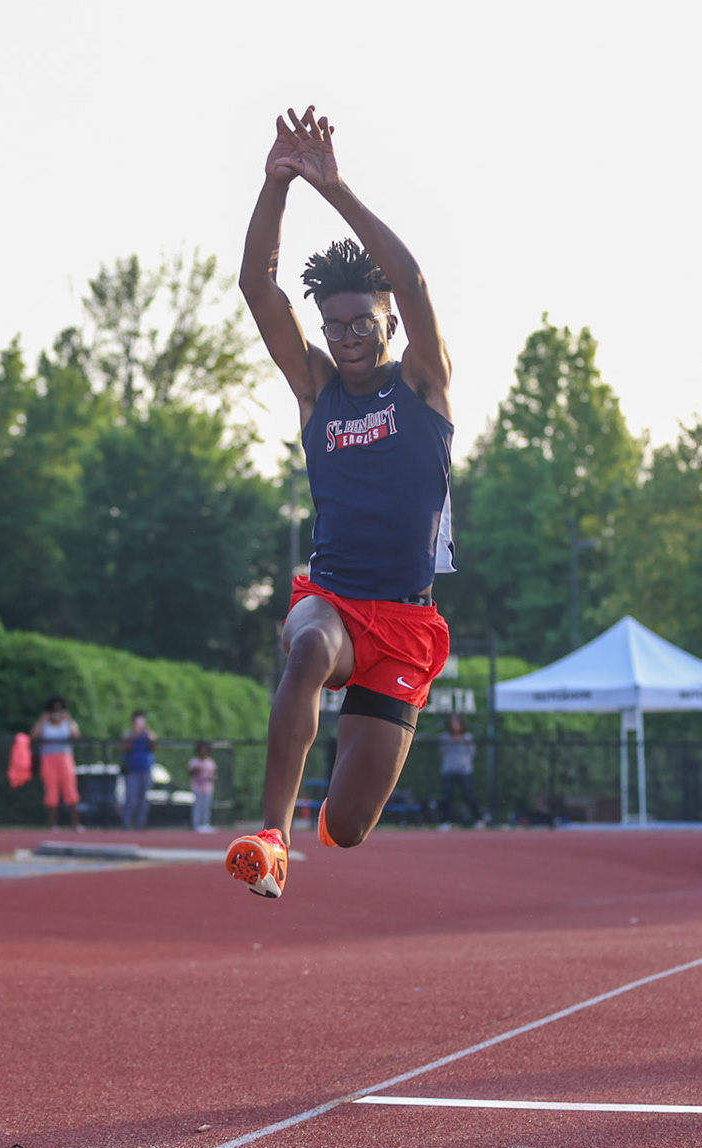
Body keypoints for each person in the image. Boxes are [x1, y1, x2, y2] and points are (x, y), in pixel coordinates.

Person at [223, 105, 455, 899]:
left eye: (365, 322)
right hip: (333, 597)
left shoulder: (424, 386)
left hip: (406, 627)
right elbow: (258, 285)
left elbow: (415, 280)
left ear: (389, 324)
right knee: (307, 646)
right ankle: (272, 837)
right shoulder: (317, 389)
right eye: (337, 324)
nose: (350, 335)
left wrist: (338, 187)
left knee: (351, 828)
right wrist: (276, 185)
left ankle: (321, 820)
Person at [31, 697, 82, 833]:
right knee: (51, 791)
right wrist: (43, 719)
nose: (57, 713)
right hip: (48, 759)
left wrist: (69, 719)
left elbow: (76, 734)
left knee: (70, 790)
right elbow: (35, 734)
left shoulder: (67, 723)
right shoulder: (45, 724)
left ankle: (75, 823)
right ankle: (53, 825)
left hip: (65, 758)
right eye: (54, 710)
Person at [438, 714, 476, 830]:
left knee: (468, 795)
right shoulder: (445, 737)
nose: (455, 725)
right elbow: (442, 751)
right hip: (448, 770)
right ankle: (446, 821)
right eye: (452, 722)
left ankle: (478, 819)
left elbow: (471, 752)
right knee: (448, 796)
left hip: (464, 770)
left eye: (457, 722)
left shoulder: (468, 737)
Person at [119, 711, 157, 831]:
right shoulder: (128, 734)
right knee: (131, 797)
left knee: (143, 798)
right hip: (132, 770)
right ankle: (127, 822)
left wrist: (148, 734)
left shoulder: (149, 734)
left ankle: (141, 823)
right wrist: (134, 736)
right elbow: (125, 748)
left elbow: (154, 747)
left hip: (145, 769)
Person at [187, 740, 218, 833]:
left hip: (208, 788)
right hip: (197, 788)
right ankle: (196, 825)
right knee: (197, 806)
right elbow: (190, 773)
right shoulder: (194, 762)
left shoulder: (210, 762)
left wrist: (210, 776)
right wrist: (196, 770)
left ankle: (205, 824)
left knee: (206, 807)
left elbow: (214, 775)